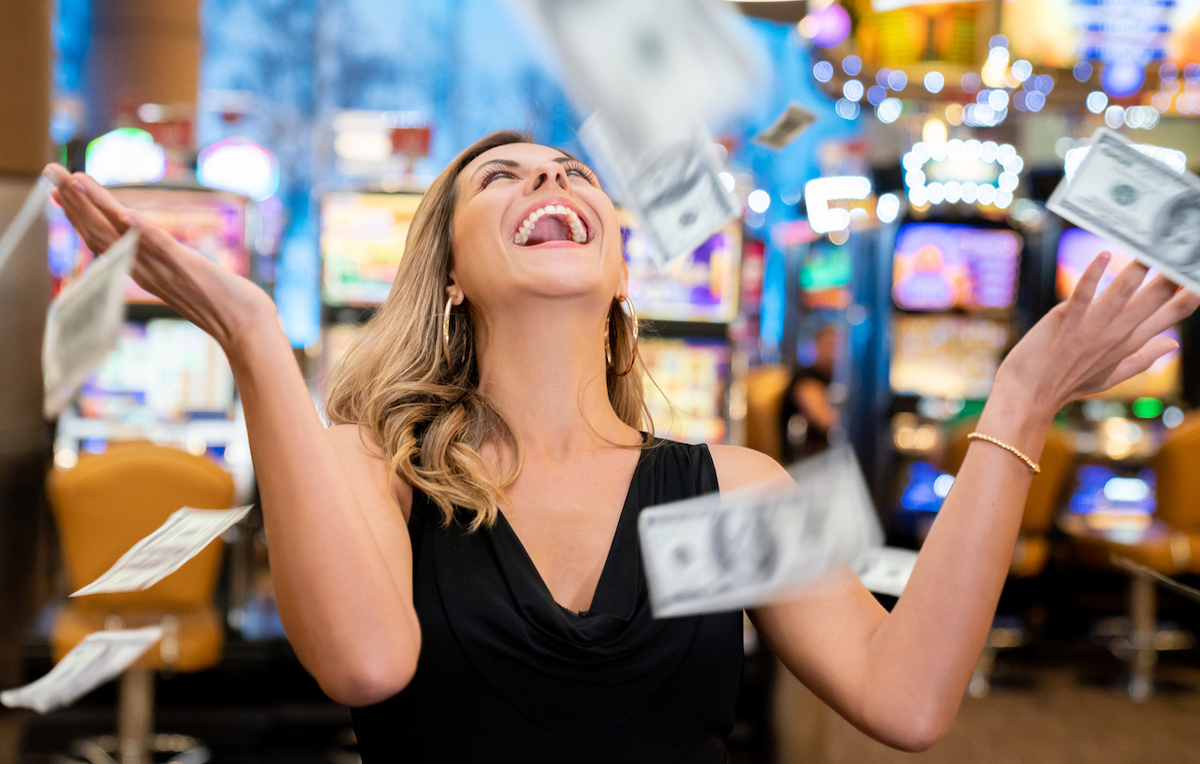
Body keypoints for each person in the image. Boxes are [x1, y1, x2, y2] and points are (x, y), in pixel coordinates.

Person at [43, 130, 1198, 762]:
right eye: (502, 177)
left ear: (618, 266)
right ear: (450, 271)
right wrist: (251, 335)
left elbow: (909, 699)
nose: (550, 176)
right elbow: (365, 665)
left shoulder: (719, 490)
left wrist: (1023, 395)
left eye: (573, 173)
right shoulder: (380, 467)